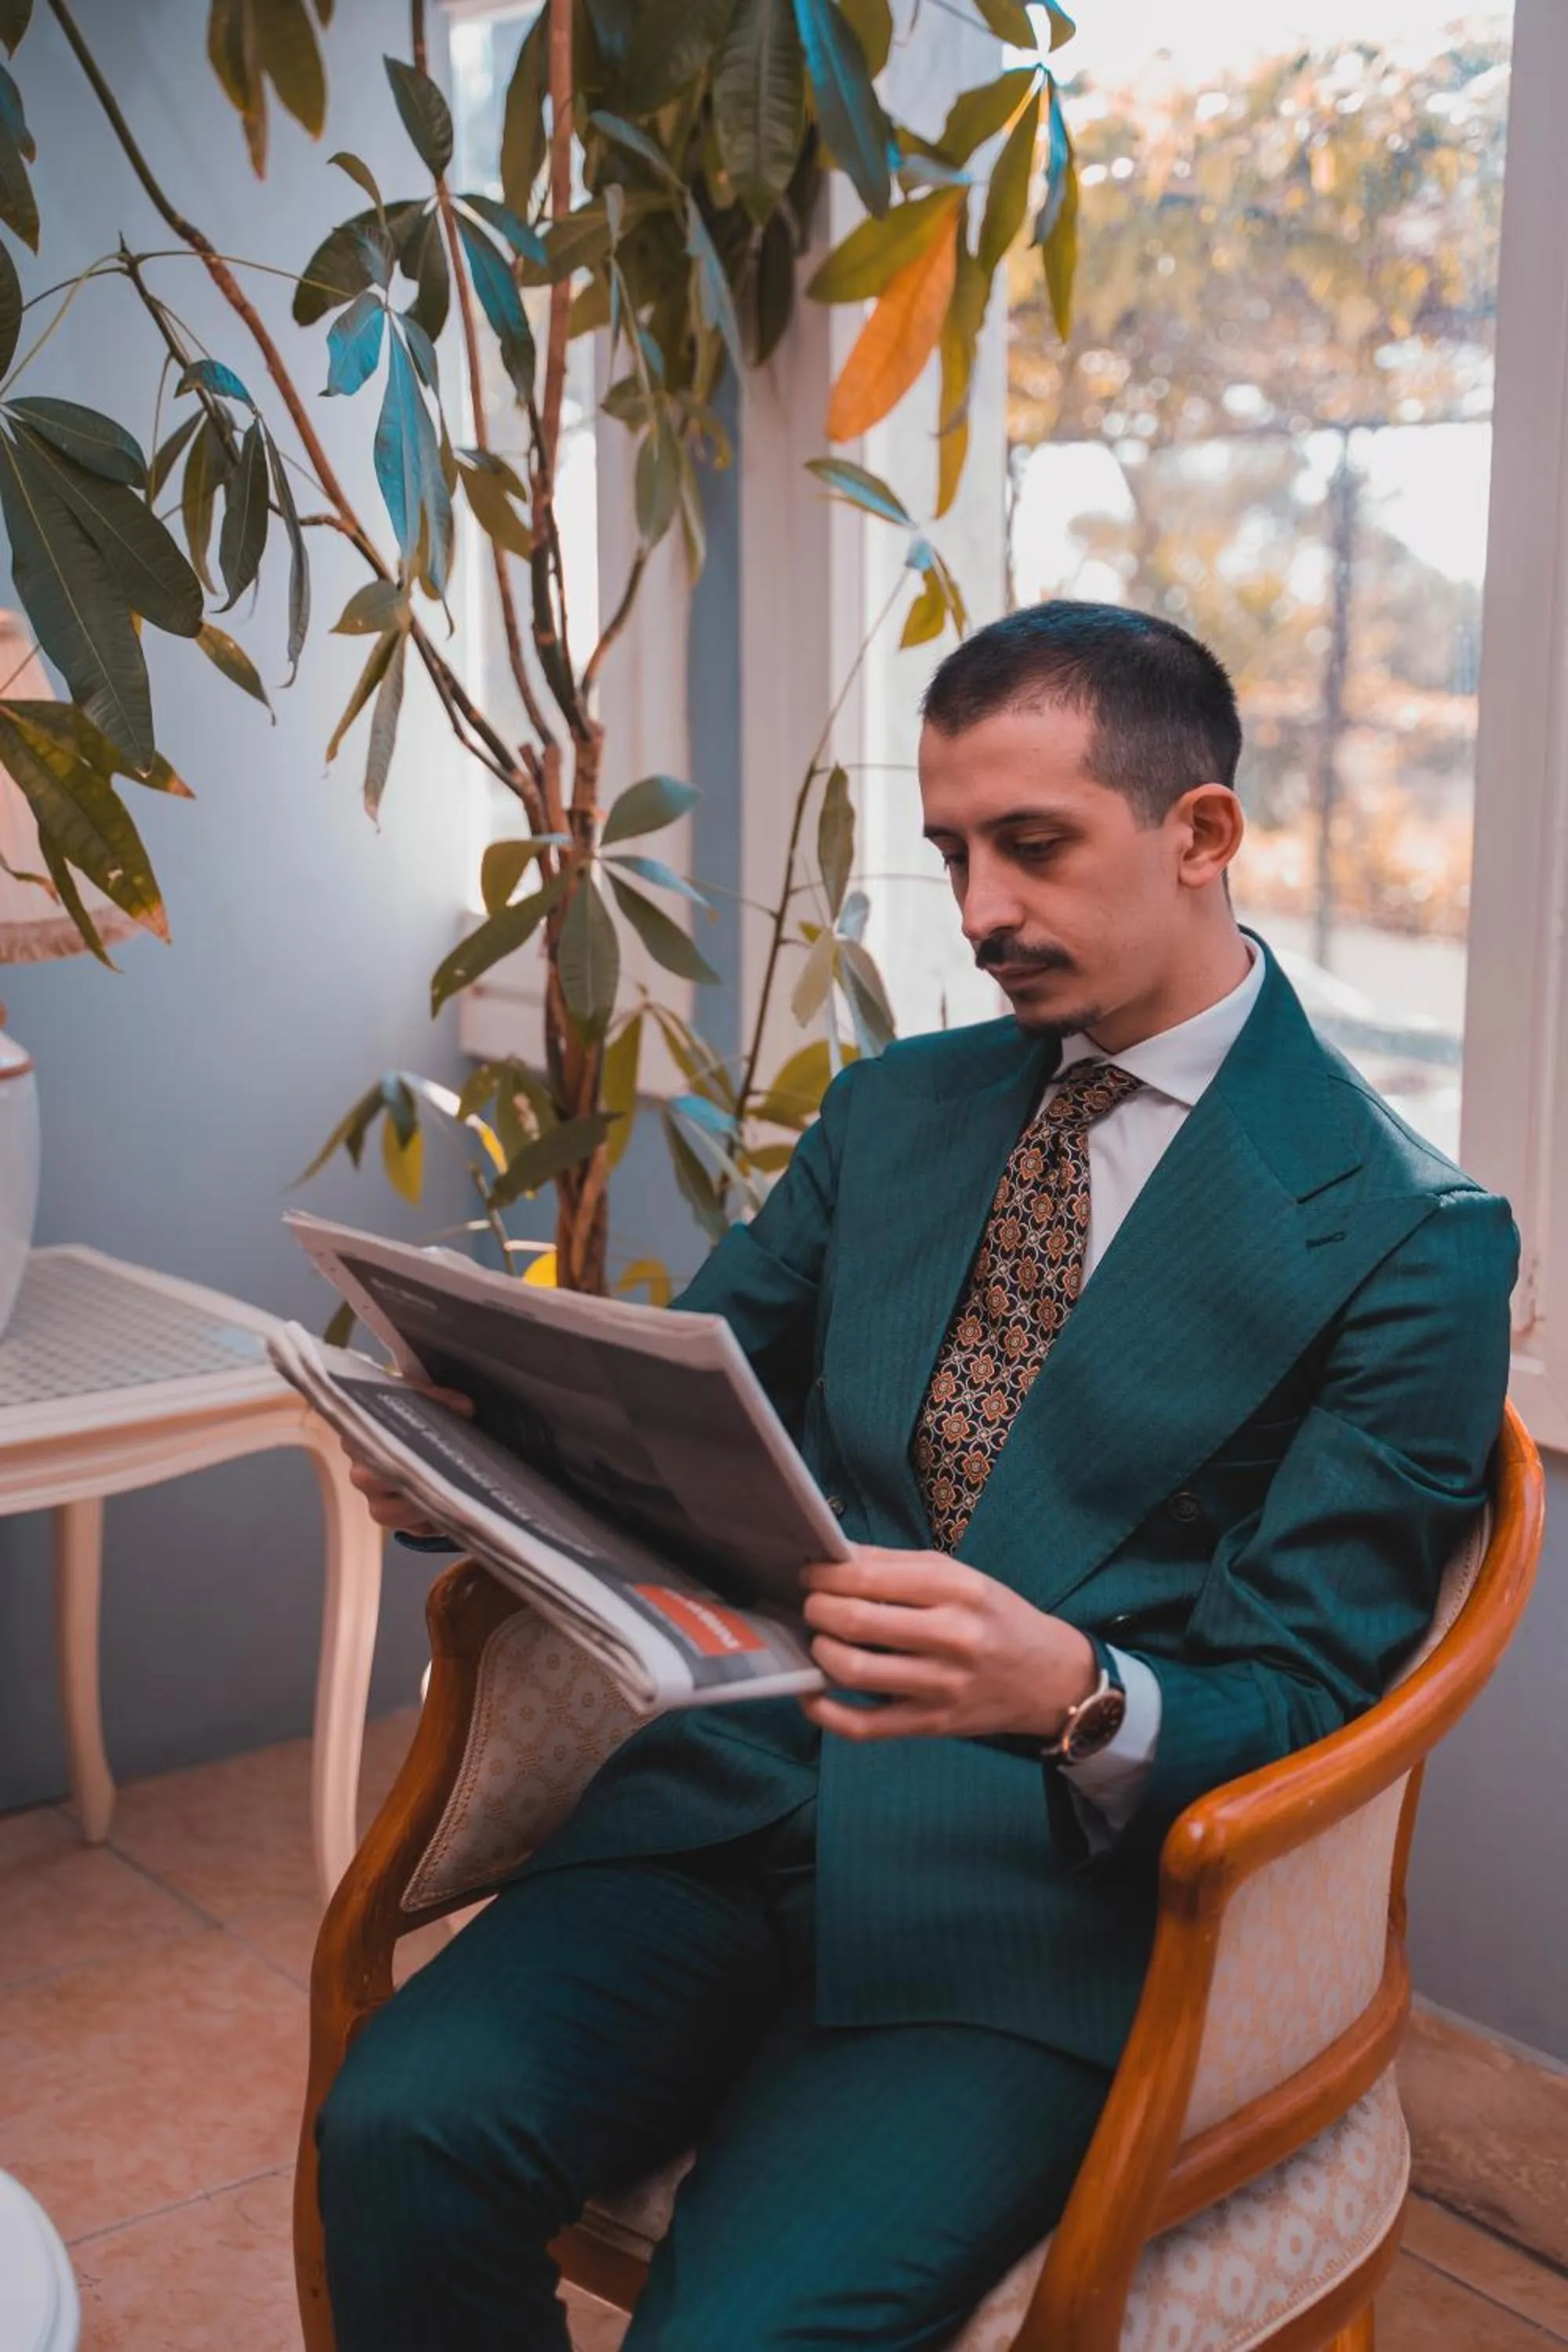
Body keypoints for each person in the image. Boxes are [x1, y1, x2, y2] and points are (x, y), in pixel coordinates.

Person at [317, 601, 1516, 2352]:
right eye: (954, 852)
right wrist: (484, 1462)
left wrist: (1079, 1693)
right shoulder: (894, 1111)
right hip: (725, 1804)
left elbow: (1312, 1693)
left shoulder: (1408, 1239)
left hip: (1024, 1900)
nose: (978, 912)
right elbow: (680, 1410)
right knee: (401, 2133)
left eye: (1033, 846)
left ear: (1201, 832)